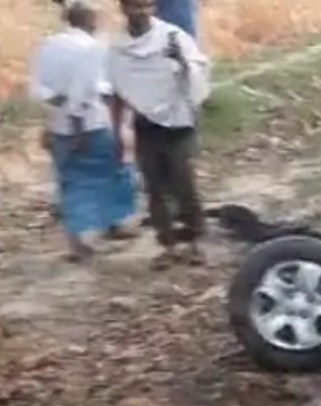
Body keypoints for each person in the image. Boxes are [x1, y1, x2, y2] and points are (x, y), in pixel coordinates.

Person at [29, 0, 138, 262]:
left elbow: (38, 88)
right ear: (90, 20)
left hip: (59, 125)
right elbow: (86, 91)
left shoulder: (47, 45)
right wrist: (78, 124)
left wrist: (58, 110)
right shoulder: (93, 48)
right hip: (91, 124)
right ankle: (110, 226)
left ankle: (77, 240)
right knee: (109, 173)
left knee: (69, 182)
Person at [108, 0, 211, 268]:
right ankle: (168, 244)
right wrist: (119, 130)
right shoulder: (118, 48)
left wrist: (182, 62)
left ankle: (194, 240)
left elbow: (197, 70)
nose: (141, 12)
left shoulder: (172, 37)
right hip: (145, 125)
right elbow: (118, 91)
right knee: (155, 188)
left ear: (154, 8)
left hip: (178, 122)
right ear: (123, 8)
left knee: (183, 182)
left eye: (147, 6)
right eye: (135, 6)